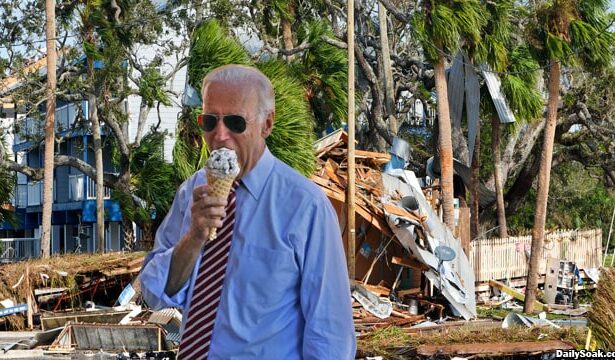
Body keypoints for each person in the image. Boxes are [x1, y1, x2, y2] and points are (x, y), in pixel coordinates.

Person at [140, 64, 356, 359]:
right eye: (209, 122)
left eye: (235, 123)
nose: (220, 135)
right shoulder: (190, 193)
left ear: (267, 124)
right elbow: (155, 294)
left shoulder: (306, 207)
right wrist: (194, 236)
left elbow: (330, 332)